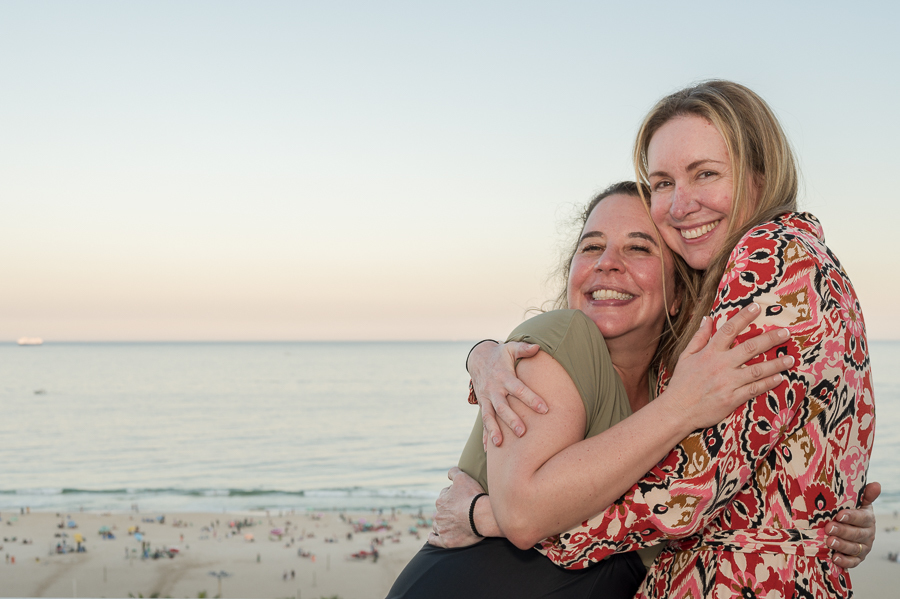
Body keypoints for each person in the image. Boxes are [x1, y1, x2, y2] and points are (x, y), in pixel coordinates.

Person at [448, 80, 876, 598]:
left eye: (706, 174)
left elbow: (692, 482)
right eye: (664, 183)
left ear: (761, 176)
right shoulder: (797, 262)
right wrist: (483, 356)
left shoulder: (772, 256)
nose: (680, 204)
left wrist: (498, 516)